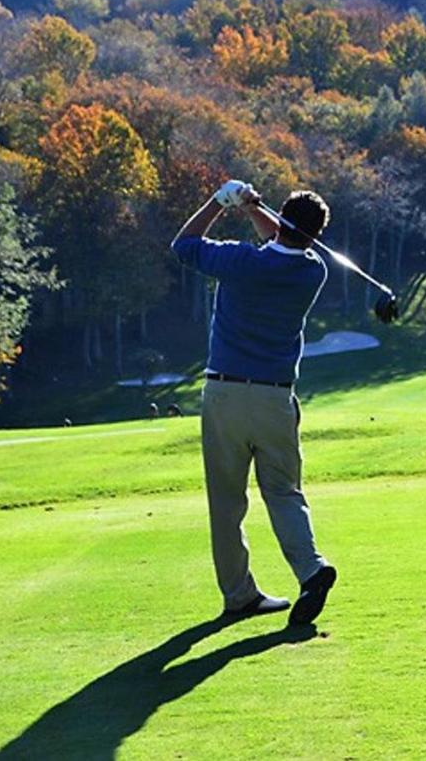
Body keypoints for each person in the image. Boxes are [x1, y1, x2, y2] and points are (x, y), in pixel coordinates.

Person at [171, 180, 336, 624]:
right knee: (284, 492)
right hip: (276, 400)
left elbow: (184, 245)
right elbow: (286, 242)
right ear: (314, 234)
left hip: (224, 395)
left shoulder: (237, 260)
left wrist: (220, 202)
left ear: (281, 219)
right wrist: (253, 211)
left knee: (226, 502)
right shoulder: (312, 272)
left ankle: (239, 595)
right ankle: (311, 568)